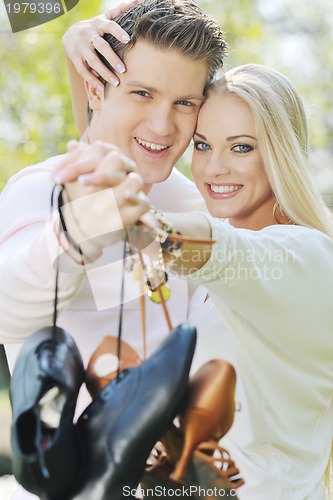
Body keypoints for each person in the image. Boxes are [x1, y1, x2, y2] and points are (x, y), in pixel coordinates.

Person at [0, 2, 227, 498]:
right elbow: (11, 309)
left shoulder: (190, 199)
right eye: (142, 93)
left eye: (184, 103)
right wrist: (78, 231)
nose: (163, 126)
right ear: (96, 86)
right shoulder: (40, 189)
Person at [118, 63, 332, 499]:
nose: (214, 168)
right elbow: (116, 157)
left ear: (280, 153)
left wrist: (141, 231)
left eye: (241, 148)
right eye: (202, 144)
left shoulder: (309, 258)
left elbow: (221, 250)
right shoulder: (224, 270)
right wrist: (82, 57)